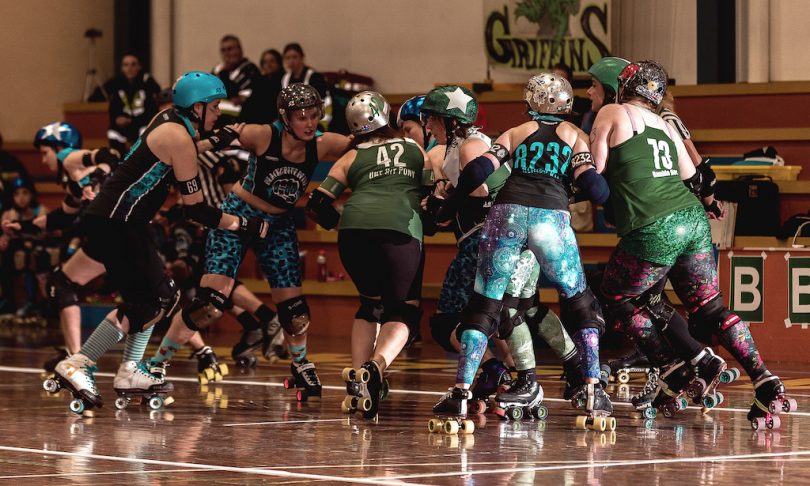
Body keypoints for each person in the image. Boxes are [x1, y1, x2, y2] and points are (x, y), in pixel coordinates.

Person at [49, 71, 270, 414]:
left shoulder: (169, 121)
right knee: (153, 300)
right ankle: (78, 364)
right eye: (214, 107)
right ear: (196, 107)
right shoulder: (179, 138)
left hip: (117, 220)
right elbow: (196, 209)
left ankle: (128, 370)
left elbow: (183, 150)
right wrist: (244, 224)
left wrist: (215, 141)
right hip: (118, 222)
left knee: (159, 297)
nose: (218, 113)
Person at [591, 61, 789, 425]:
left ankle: (671, 367)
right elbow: (693, 177)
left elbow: (594, 170)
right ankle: (764, 380)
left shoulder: (612, 112)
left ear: (625, 86)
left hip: (654, 224)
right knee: (710, 308)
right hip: (693, 220)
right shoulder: (665, 123)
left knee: (617, 297)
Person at [147, 83, 351, 402]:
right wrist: (179, 150)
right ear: (285, 118)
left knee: (295, 312)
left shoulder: (323, 144)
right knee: (209, 305)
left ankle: (301, 365)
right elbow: (223, 137)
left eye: (314, 115)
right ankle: (156, 365)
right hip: (239, 215)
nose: (310, 123)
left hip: (279, 223)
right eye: (301, 117)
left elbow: (368, 146)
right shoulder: (264, 135)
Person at [431, 74, 614, 426]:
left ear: (530, 101)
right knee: (580, 302)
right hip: (550, 218)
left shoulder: (516, 132)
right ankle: (593, 389)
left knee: (484, 306)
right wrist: (602, 201)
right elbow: (592, 184)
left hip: (507, 214)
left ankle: (461, 394)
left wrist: (448, 206)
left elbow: (477, 171)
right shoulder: (574, 135)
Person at [306, 91, 430, 418]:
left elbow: (316, 204)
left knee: (369, 304)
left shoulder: (350, 157)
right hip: (399, 230)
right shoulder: (412, 147)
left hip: (353, 233)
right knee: (403, 310)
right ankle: (376, 367)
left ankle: (358, 380)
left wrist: (343, 223)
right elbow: (433, 192)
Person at [104, 54, 162, 153]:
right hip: (123, 128)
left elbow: (152, 109)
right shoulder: (116, 83)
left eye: (133, 65)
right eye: (126, 65)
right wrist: (117, 119)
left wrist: (131, 120)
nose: (129, 68)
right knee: (112, 133)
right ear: (122, 68)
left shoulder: (147, 81)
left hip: (142, 124)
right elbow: (112, 107)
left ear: (139, 67)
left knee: (146, 132)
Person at [268, 43, 332, 129]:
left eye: (295, 57)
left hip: (315, 118)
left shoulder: (314, 77)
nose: (291, 61)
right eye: (288, 58)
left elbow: (322, 102)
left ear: (302, 58)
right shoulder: (284, 78)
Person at [213, 35, 262, 125]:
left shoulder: (250, 70)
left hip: (243, 122)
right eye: (223, 50)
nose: (226, 53)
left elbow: (241, 100)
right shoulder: (217, 70)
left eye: (230, 49)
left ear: (239, 49)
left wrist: (224, 75)